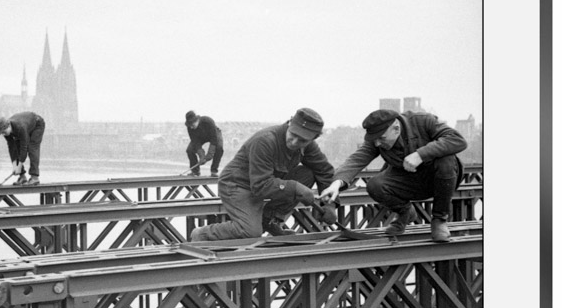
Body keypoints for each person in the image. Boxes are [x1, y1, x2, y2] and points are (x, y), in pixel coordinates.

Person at [320, 109, 467, 242]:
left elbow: (457, 140)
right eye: (374, 139)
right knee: (375, 185)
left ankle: (439, 220)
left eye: (382, 138)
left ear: (396, 129)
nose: (377, 143)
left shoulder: (422, 121)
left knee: (446, 160)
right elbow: (356, 160)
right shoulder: (377, 139)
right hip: (410, 182)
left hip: (439, 180)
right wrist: (336, 184)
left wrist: (420, 155)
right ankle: (405, 212)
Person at [189, 108, 335, 241]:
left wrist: (329, 204)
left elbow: (324, 171)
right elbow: (260, 186)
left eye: (302, 140)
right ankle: (201, 234)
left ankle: (271, 220)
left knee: (308, 174)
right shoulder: (265, 141)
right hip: (237, 185)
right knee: (249, 231)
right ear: (289, 125)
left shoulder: (308, 146)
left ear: (313, 139)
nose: (294, 142)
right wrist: (296, 188)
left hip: (265, 182)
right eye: (293, 135)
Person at [0, 111, 46, 185]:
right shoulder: (7, 132)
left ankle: (34, 178)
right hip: (26, 126)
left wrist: (19, 166)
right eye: (1, 133)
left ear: (8, 126)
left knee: (32, 148)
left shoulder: (20, 127)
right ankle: (22, 177)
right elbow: (12, 149)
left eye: (3, 132)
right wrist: (15, 166)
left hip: (37, 124)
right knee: (16, 148)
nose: (3, 134)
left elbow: (24, 148)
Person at [184, 110, 224, 177]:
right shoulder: (190, 128)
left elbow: (214, 139)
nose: (191, 127)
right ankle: (195, 172)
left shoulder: (208, 121)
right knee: (190, 150)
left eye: (192, 125)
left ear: (197, 120)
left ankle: (214, 171)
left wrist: (209, 156)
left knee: (219, 148)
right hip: (200, 137)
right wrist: (202, 156)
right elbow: (195, 143)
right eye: (189, 125)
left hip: (214, 134)